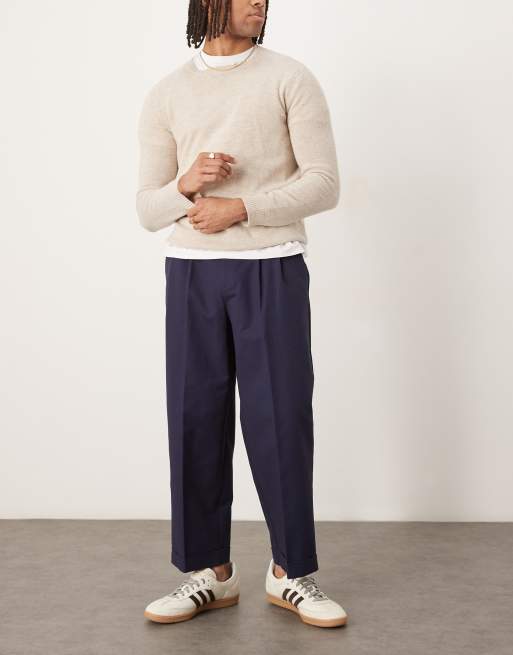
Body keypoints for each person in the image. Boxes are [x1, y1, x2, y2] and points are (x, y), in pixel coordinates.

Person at [136, 0, 347, 629]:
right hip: (190, 271)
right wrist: (185, 185)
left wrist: (242, 208)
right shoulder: (167, 93)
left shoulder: (289, 78)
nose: (260, 1)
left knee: (280, 416)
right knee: (195, 417)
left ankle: (291, 573)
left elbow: (325, 183)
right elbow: (147, 210)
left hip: (270, 266)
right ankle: (210, 573)